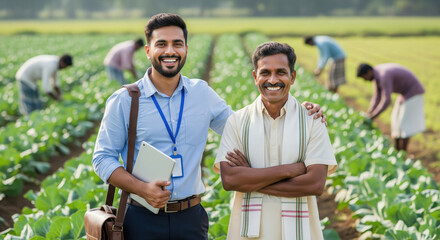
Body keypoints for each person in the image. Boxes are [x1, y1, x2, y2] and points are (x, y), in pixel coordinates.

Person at [92, 13, 326, 239]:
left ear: (185, 49)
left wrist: (297, 111)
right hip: (141, 216)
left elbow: (244, 126)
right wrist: (142, 189)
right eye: (161, 44)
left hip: (191, 218)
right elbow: (102, 158)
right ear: (148, 50)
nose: (170, 51)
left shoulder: (201, 93)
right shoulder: (125, 100)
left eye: (177, 44)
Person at [213, 41, 337, 240]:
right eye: (265, 72)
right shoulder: (237, 122)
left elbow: (315, 184)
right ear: (255, 77)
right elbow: (230, 180)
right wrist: (290, 170)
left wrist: (251, 179)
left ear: (292, 76)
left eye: (280, 72)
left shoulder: (312, 121)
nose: (272, 79)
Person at [356, 63, 426, 152]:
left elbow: (386, 100)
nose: (365, 80)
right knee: (395, 120)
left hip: (413, 92)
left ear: (369, 72)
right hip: (404, 93)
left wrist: (374, 116)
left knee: (404, 124)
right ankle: (397, 150)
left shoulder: (383, 75)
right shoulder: (376, 75)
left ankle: (403, 153)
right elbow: (377, 97)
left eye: (364, 77)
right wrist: (370, 112)